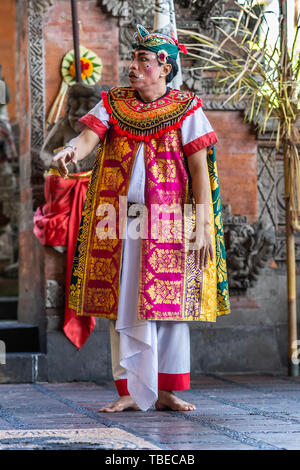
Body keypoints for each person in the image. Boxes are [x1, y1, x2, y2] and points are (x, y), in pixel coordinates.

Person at [52, 25, 230, 413]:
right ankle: (129, 390)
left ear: (164, 68)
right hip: (117, 219)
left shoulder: (188, 108)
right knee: (124, 303)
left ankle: (165, 389)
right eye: (133, 59)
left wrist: (201, 227)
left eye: (142, 61)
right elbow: (88, 138)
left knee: (170, 306)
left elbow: (200, 171)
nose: (133, 67)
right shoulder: (114, 101)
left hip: (170, 220)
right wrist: (69, 150)